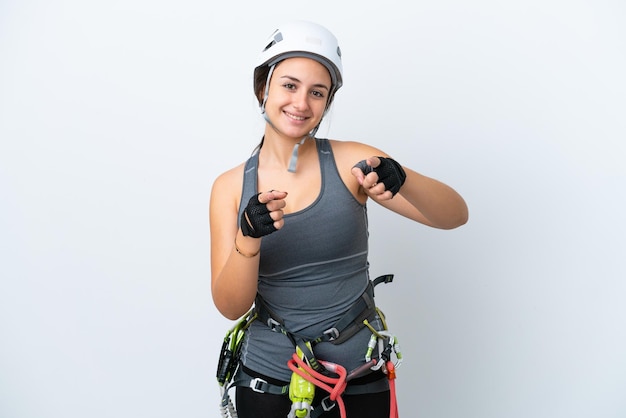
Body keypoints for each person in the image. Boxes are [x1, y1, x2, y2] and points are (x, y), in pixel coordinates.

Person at [209, 20, 468, 418]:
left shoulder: (352, 162)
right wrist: (248, 239)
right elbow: (230, 306)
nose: (301, 103)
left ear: (327, 102)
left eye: (317, 92)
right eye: (289, 85)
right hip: (267, 381)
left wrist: (404, 178)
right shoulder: (229, 187)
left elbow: (455, 215)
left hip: (358, 379)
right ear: (264, 88)